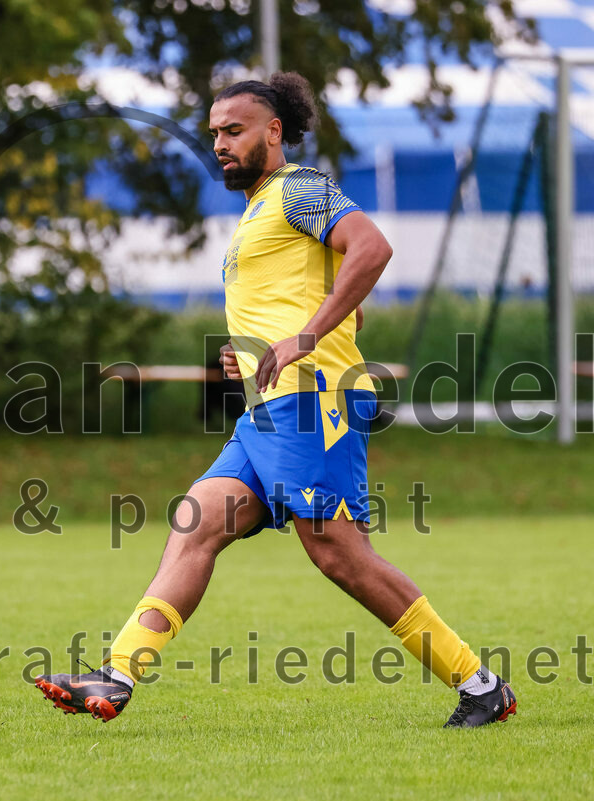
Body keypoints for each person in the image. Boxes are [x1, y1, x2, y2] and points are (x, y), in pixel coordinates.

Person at [35, 73, 516, 729]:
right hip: (268, 410)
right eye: (214, 134)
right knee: (195, 522)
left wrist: (306, 337)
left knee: (340, 556)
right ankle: (117, 674)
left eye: (233, 131)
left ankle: (479, 683)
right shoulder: (260, 210)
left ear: (274, 132)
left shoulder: (300, 189)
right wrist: (256, 349)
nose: (221, 144)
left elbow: (371, 248)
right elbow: (340, 304)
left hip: (313, 405)